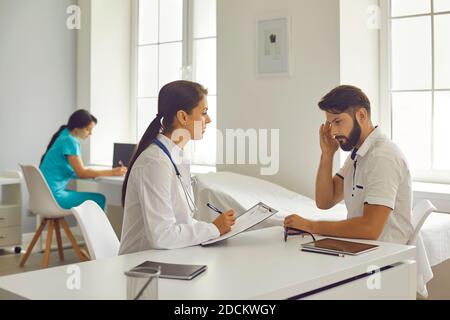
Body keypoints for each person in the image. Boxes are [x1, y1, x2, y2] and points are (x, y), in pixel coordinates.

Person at [284, 85, 414, 244]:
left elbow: (370, 228)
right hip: (364, 250)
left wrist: (311, 226)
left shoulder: (382, 156)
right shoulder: (358, 154)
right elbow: (325, 201)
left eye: (338, 121)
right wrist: (327, 155)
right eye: (330, 123)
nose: (332, 132)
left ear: (361, 115)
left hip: (383, 257)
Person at [119, 80, 236, 253]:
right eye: (203, 113)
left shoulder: (175, 157)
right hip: (142, 266)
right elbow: (162, 236)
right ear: (183, 117)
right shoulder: (155, 163)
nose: (209, 120)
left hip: (168, 257)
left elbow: (182, 222)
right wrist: (213, 229)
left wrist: (215, 228)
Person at [40, 109, 127, 210]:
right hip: (54, 196)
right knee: (99, 199)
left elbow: (75, 171)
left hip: (44, 195)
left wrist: (92, 172)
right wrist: (112, 172)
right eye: (87, 129)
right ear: (77, 128)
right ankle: (97, 226)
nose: (90, 133)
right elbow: (81, 172)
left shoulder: (63, 135)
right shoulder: (70, 141)